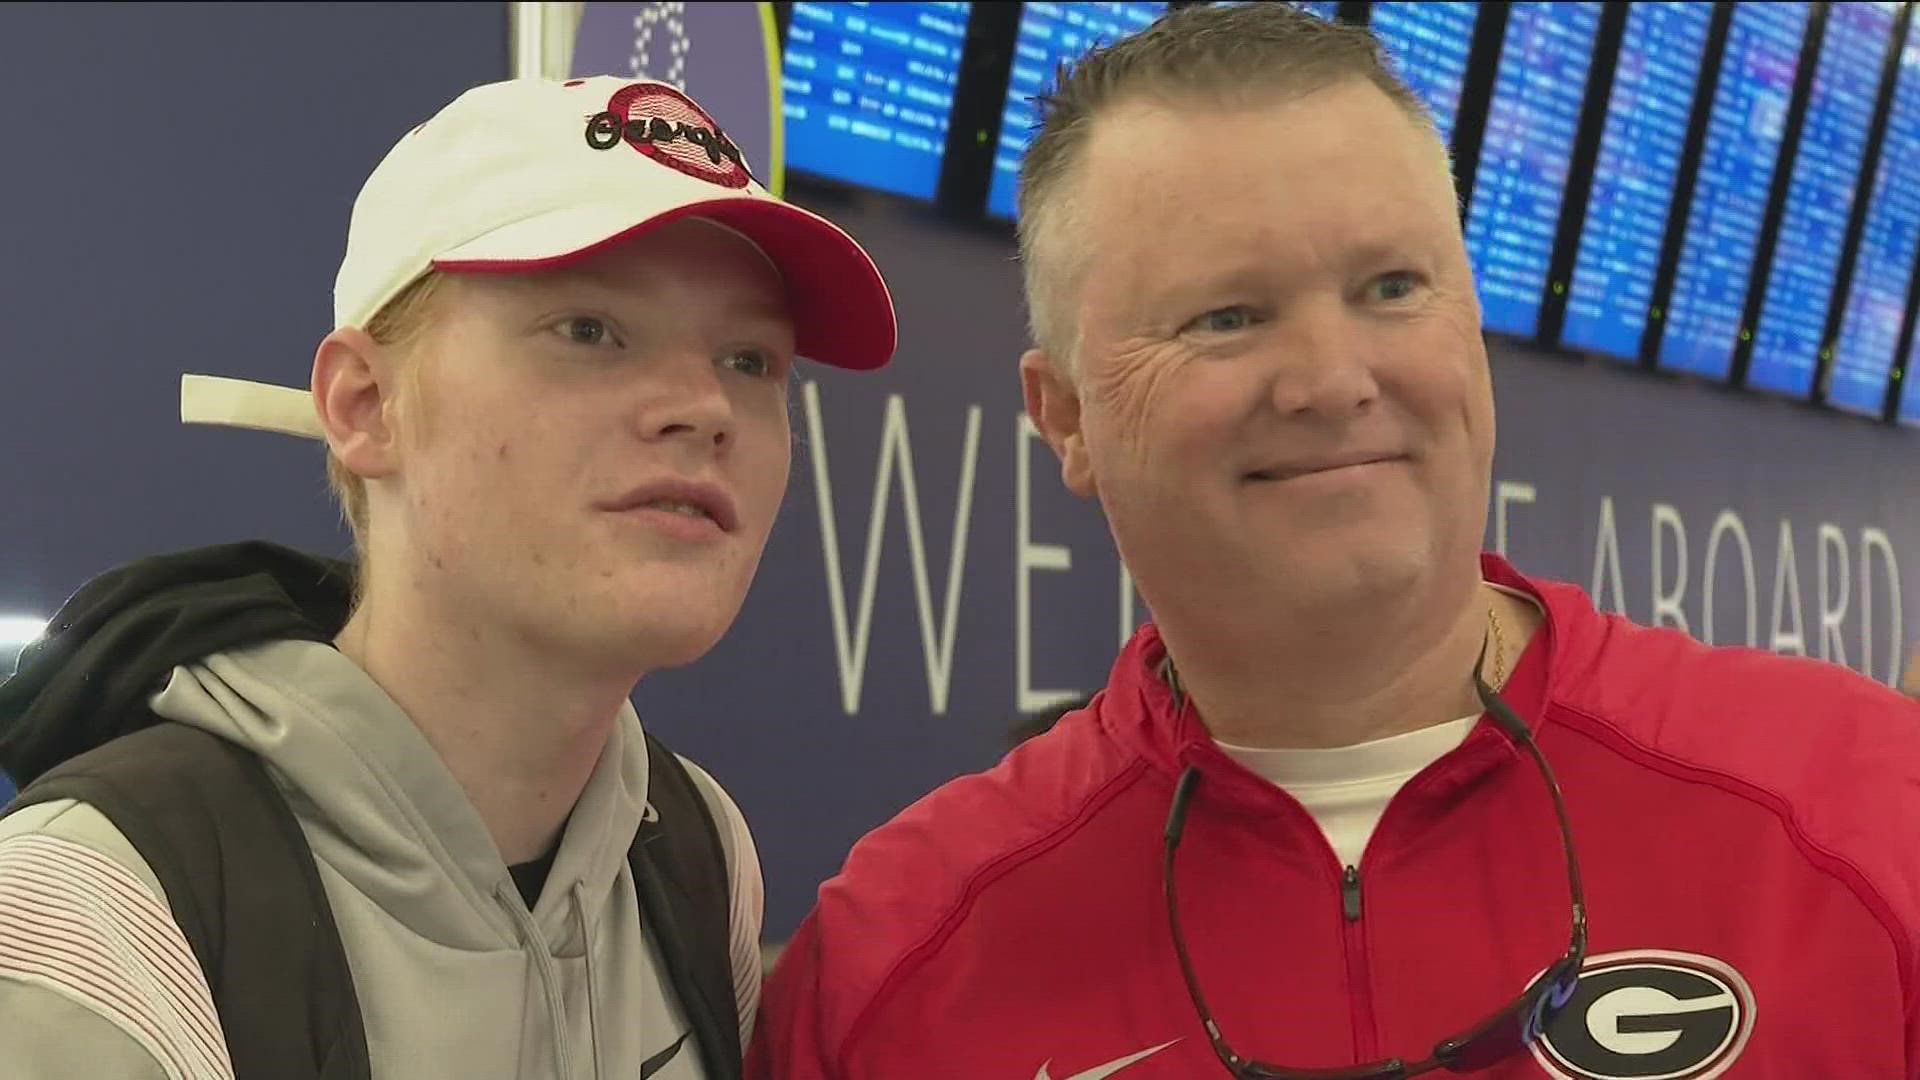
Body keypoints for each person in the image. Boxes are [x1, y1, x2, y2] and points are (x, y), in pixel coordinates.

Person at [746, 5, 1920, 1078]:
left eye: (1393, 287)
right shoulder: (894, 967)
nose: (1331, 379)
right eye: (1228, 316)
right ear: (1065, 417)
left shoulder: (1869, 812)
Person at [0, 75, 895, 1079]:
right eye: (591, 330)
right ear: (365, 403)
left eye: (750, 359)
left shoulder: (696, 855)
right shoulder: (101, 918)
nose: (704, 407)